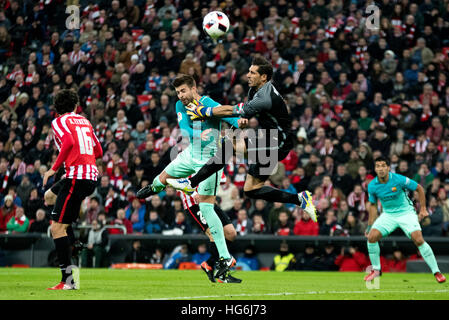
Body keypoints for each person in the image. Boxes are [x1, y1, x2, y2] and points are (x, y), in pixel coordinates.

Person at [167, 57, 316, 222]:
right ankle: (300, 199)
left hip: (278, 142)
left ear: (264, 77)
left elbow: (233, 110)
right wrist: (237, 122)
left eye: (253, 72)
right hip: (267, 136)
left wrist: (204, 111)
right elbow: (242, 113)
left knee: (228, 148)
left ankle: (191, 183)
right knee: (251, 189)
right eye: (249, 71)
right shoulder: (255, 89)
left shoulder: (265, 97)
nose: (248, 75)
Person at [135, 74, 240, 282]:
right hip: (190, 155)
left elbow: (231, 118)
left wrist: (238, 125)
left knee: (207, 207)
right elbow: (184, 129)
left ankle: (224, 259)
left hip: (208, 163)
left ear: (194, 88)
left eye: (184, 91)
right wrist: (196, 134)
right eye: (178, 92)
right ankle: (153, 189)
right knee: (162, 178)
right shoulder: (179, 105)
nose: (181, 96)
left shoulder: (208, 103)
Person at [42, 89, 103, 290]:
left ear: (56, 108)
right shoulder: (84, 121)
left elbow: (68, 142)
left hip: (76, 177)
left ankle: (67, 281)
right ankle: (74, 242)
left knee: (56, 228)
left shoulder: (59, 122)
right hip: (89, 176)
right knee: (49, 196)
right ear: (76, 106)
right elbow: (99, 151)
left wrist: (53, 169)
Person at [365, 156, 446, 283]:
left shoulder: (398, 179)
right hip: (388, 215)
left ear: (388, 168)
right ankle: (376, 270)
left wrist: (423, 208)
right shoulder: (372, 186)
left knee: (418, 239)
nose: (380, 169)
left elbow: (419, 188)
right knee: (371, 238)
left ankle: (437, 272)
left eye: (383, 166)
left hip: (406, 213)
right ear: (375, 169)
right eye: (378, 166)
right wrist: (370, 226)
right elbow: (373, 206)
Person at [179, 190, 240, 283]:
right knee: (214, 233)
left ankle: (209, 264)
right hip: (194, 204)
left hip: (210, 201)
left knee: (231, 233)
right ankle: (223, 274)